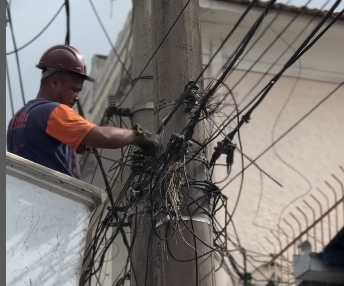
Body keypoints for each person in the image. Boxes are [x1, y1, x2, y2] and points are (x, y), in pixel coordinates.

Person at [6, 44, 159, 179]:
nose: (78, 97)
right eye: (74, 90)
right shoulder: (53, 111)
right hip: (56, 201)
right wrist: (137, 135)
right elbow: (102, 136)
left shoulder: (17, 119)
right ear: (54, 82)